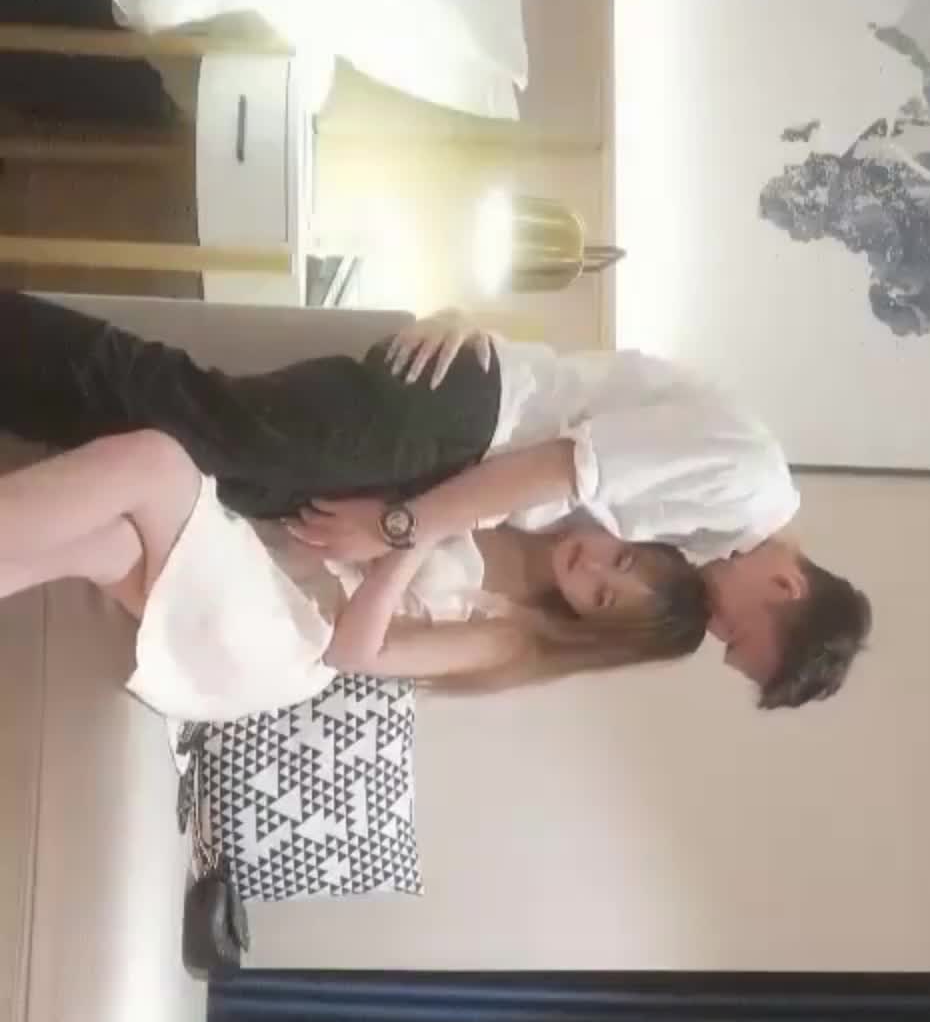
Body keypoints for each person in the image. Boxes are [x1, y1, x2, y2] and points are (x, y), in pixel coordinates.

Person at [0, 290, 871, 708]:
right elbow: (552, 464)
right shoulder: (744, 480)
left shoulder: (690, 549)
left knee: (165, 442)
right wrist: (398, 526)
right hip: (462, 428)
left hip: (444, 452)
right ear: (786, 586)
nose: (718, 634)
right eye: (741, 637)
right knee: (177, 420)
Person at [0, 430, 710, 721]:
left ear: (586, 621)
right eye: (621, 557)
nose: (592, 567)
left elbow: (354, 652)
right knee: (106, 545)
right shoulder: (523, 511)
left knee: (155, 462)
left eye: (602, 595)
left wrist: (414, 533)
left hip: (283, 639)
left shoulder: (512, 636)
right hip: (267, 572)